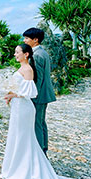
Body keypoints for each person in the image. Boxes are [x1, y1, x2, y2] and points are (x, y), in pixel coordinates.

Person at [2, 44, 91, 179]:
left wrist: (13, 95)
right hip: (18, 107)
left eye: (17, 52)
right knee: (16, 137)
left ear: (26, 54)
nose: (14, 54)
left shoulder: (28, 69)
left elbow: (31, 92)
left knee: (23, 138)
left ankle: (22, 171)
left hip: (24, 108)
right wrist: (10, 92)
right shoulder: (22, 67)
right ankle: (13, 167)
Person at [22, 27, 56, 155]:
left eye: (27, 38)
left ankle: (40, 152)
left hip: (39, 95)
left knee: (37, 123)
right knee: (41, 122)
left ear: (35, 40)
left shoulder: (36, 55)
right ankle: (43, 148)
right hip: (44, 93)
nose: (24, 41)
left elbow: (38, 78)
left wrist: (32, 95)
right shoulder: (43, 52)